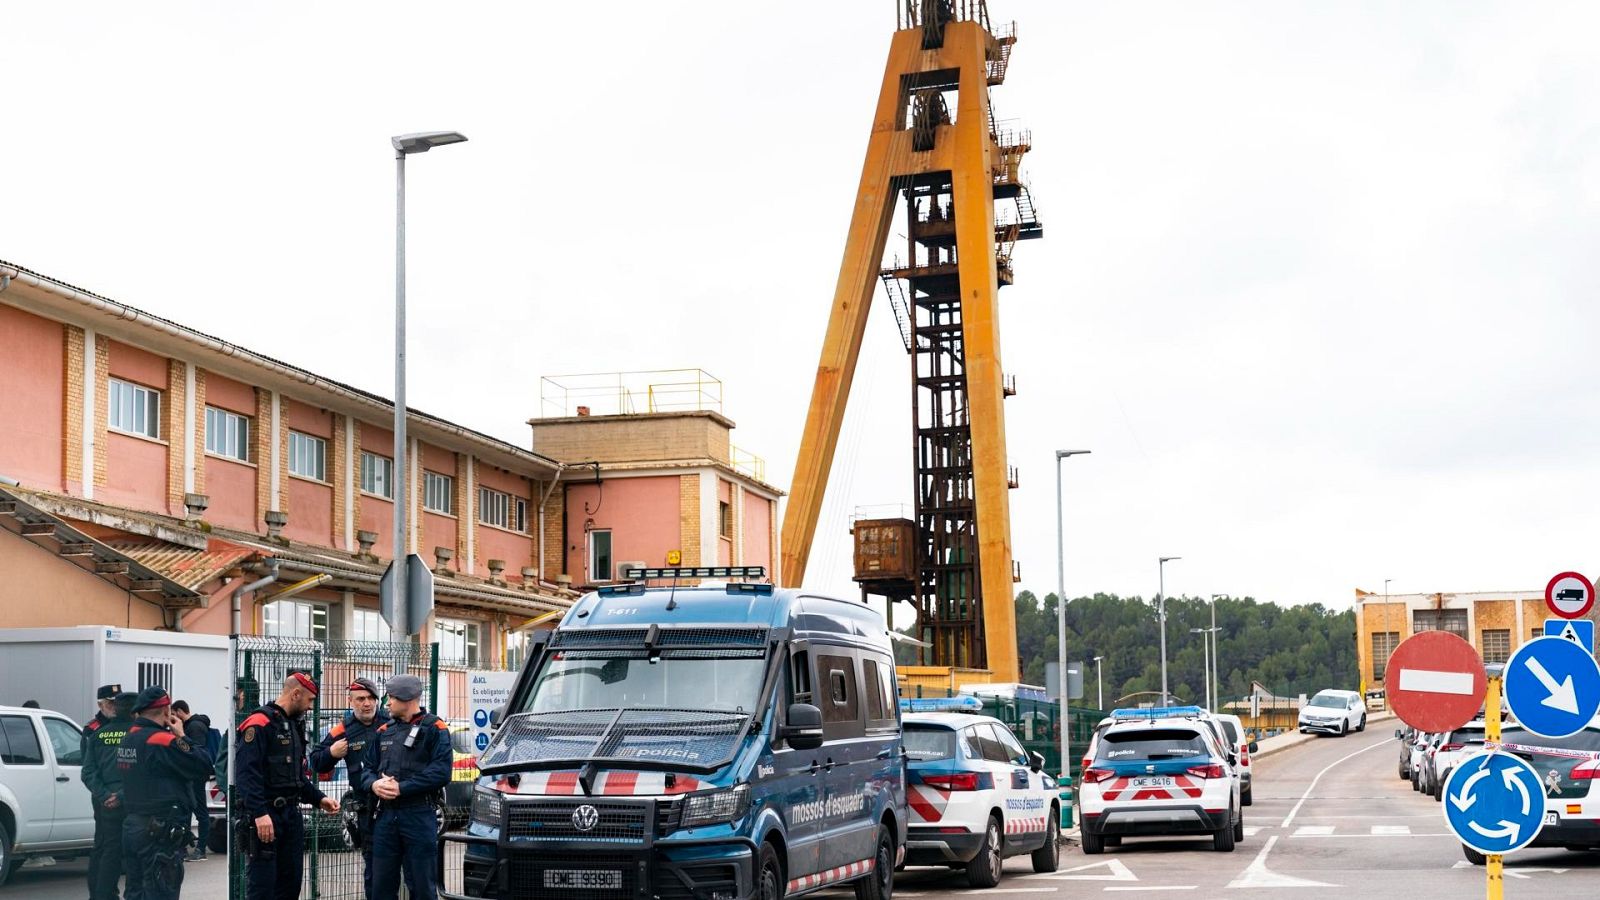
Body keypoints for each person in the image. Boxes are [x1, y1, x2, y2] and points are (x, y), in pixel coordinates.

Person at [235, 672, 338, 900]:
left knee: (290, 885)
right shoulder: (259, 723)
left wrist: (320, 799)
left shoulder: (292, 725)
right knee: (263, 888)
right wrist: (260, 814)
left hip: (290, 816)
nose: (311, 707)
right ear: (296, 693)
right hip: (266, 818)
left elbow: (297, 778)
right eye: (310, 700)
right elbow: (246, 775)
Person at [359, 674, 450, 900]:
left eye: (391, 698)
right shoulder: (384, 731)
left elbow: (441, 772)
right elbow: (366, 769)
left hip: (419, 816)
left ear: (406, 698)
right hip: (386, 817)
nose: (387, 703)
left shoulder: (435, 728)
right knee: (381, 887)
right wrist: (374, 784)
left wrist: (402, 788)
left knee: (422, 887)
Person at [119, 686, 214, 900]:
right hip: (159, 832)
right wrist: (182, 735)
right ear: (165, 711)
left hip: (133, 826)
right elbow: (204, 764)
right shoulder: (162, 740)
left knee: (135, 892)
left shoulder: (128, 739)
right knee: (161, 891)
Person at [310, 677, 390, 899]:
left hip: (395, 806)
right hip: (367, 809)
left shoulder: (389, 722)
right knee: (373, 867)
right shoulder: (343, 729)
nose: (367, 703)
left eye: (371, 698)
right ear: (350, 701)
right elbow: (315, 760)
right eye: (361, 699)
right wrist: (331, 753)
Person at [82, 691, 135, 900]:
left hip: (107, 803)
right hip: (132, 801)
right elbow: (141, 772)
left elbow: (87, 772)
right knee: (133, 852)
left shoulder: (98, 734)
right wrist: (119, 795)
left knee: (109, 851)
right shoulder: (138, 735)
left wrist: (105, 795)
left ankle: (103, 895)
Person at [170, 701, 216, 860]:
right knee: (187, 810)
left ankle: (201, 849)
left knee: (200, 811)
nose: (173, 720)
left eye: (174, 715)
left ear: (180, 711)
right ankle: (186, 846)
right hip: (190, 776)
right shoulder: (192, 725)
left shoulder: (195, 727)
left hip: (195, 776)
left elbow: (196, 751)